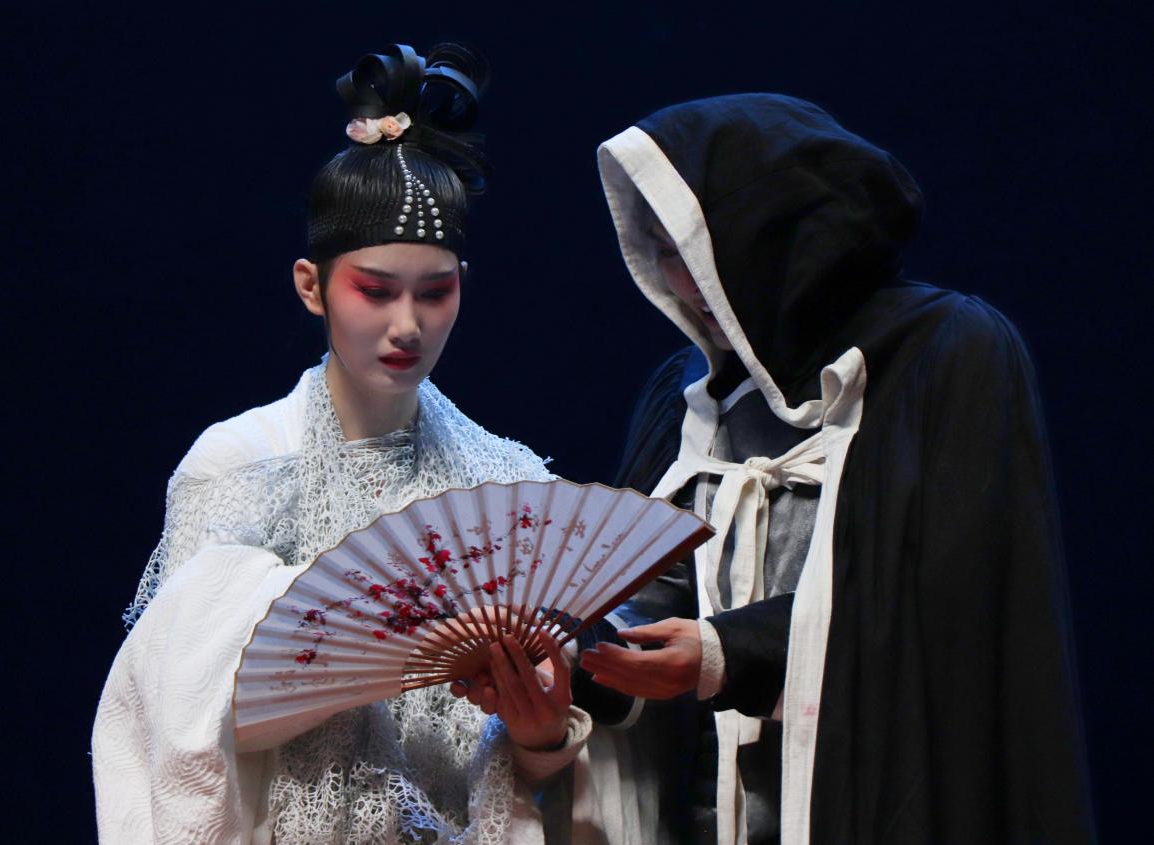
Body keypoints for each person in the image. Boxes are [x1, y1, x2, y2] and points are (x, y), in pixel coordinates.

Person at [92, 44, 589, 845]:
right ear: (310, 284)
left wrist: (538, 735)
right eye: (375, 290)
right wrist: (377, 637)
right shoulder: (241, 463)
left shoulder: (509, 481)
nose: (407, 325)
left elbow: (532, 770)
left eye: (435, 292)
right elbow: (178, 713)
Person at [569, 94, 1095, 844]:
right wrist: (580, 654)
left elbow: (950, 605)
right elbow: (654, 588)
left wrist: (732, 652)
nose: (679, 281)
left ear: (770, 235)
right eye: (656, 249)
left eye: (691, 245)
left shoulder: (944, 352)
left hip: (882, 795)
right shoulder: (688, 393)